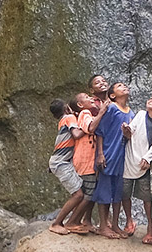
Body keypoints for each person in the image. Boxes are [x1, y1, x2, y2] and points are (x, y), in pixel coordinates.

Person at [122, 93, 152, 244]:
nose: (151, 100)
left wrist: (147, 158)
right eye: (151, 98)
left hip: (144, 163)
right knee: (125, 193)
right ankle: (129, 220)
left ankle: (150, 227)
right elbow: (132, 129)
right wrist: (127, 131)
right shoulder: (141, 114)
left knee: (146, 197)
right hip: (129, 158)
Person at [92, 83, 133, 237]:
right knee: (104, 191)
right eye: (120, 86)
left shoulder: (131, 112)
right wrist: (100, 154)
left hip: (122, 156)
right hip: (109, 153)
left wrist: (128, 134)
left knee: (118, 192)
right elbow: (100, 131)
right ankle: (103, 225)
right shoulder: (112, 108)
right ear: (113, 95)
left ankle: (115, 224)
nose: (124, 87)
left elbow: (130, 137)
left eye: (125, 85)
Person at [59, 93, 101, 236]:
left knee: (87, 193)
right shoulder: (85, 113)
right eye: (87, 97)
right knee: (88, 194)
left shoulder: (85, 113)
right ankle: (72, 221)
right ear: (80, 105)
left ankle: (75, 221)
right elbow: (89, 128)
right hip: (85, 161)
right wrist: (102, 112)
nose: (90, 98)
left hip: (87, 161)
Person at [46, 100, 87, 233]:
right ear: (67, 108)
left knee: (82, 192)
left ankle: (75, 220)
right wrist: (89, 127)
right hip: (61, 163)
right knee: (78, 195)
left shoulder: (63, 120)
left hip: (61, 161)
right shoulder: (69, 118)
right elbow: (76, 134)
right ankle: (56, 223)